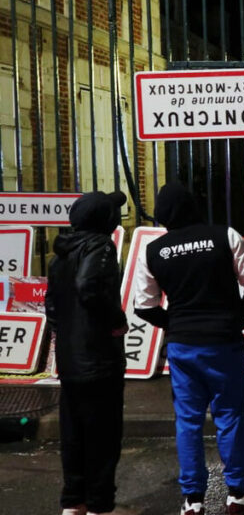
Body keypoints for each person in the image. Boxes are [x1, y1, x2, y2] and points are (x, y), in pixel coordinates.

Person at [133, 182, 244, 515]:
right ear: (195, 207)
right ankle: (237, 494)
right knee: (230, 416)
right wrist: (239, 316)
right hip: (224, 342)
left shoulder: (154, 251)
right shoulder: (225, 236)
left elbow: (143, 305)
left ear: (163, 214)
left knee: (188, 421)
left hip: (183, 346)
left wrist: (174, 324)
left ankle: (193, 501)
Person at [45, 191, 129, 515]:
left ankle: (73, 502)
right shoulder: (101, 246)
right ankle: (98, 505)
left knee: (74, 433)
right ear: (104, 220)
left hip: (71, 359)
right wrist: (116, 322)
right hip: (98, 360)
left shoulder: (60, 254)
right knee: (104, 436)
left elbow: (51, 305)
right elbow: (88, 286)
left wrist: (64, 336)